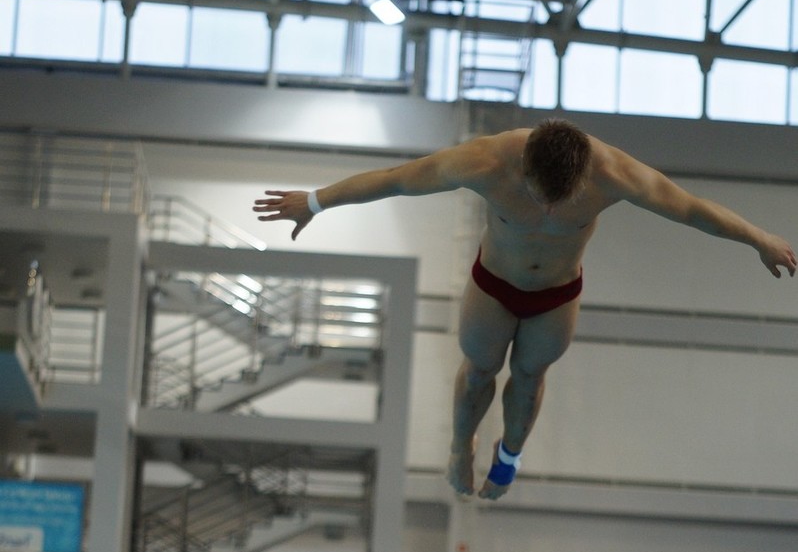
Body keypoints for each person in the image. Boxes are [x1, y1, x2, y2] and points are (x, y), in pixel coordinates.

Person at [252, 120, 796, 500]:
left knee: (530, 376)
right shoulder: (484, 159)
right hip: (494, 286)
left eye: (562, 200)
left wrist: (759, 239)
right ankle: (460, 448)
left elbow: (692, 210)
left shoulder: (615, 173)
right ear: (524, 165)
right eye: (539, 195)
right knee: (479, 372)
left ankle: (508, 456)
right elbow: (395, 180)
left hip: (556, 294)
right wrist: (315, 202)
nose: (549, 208)